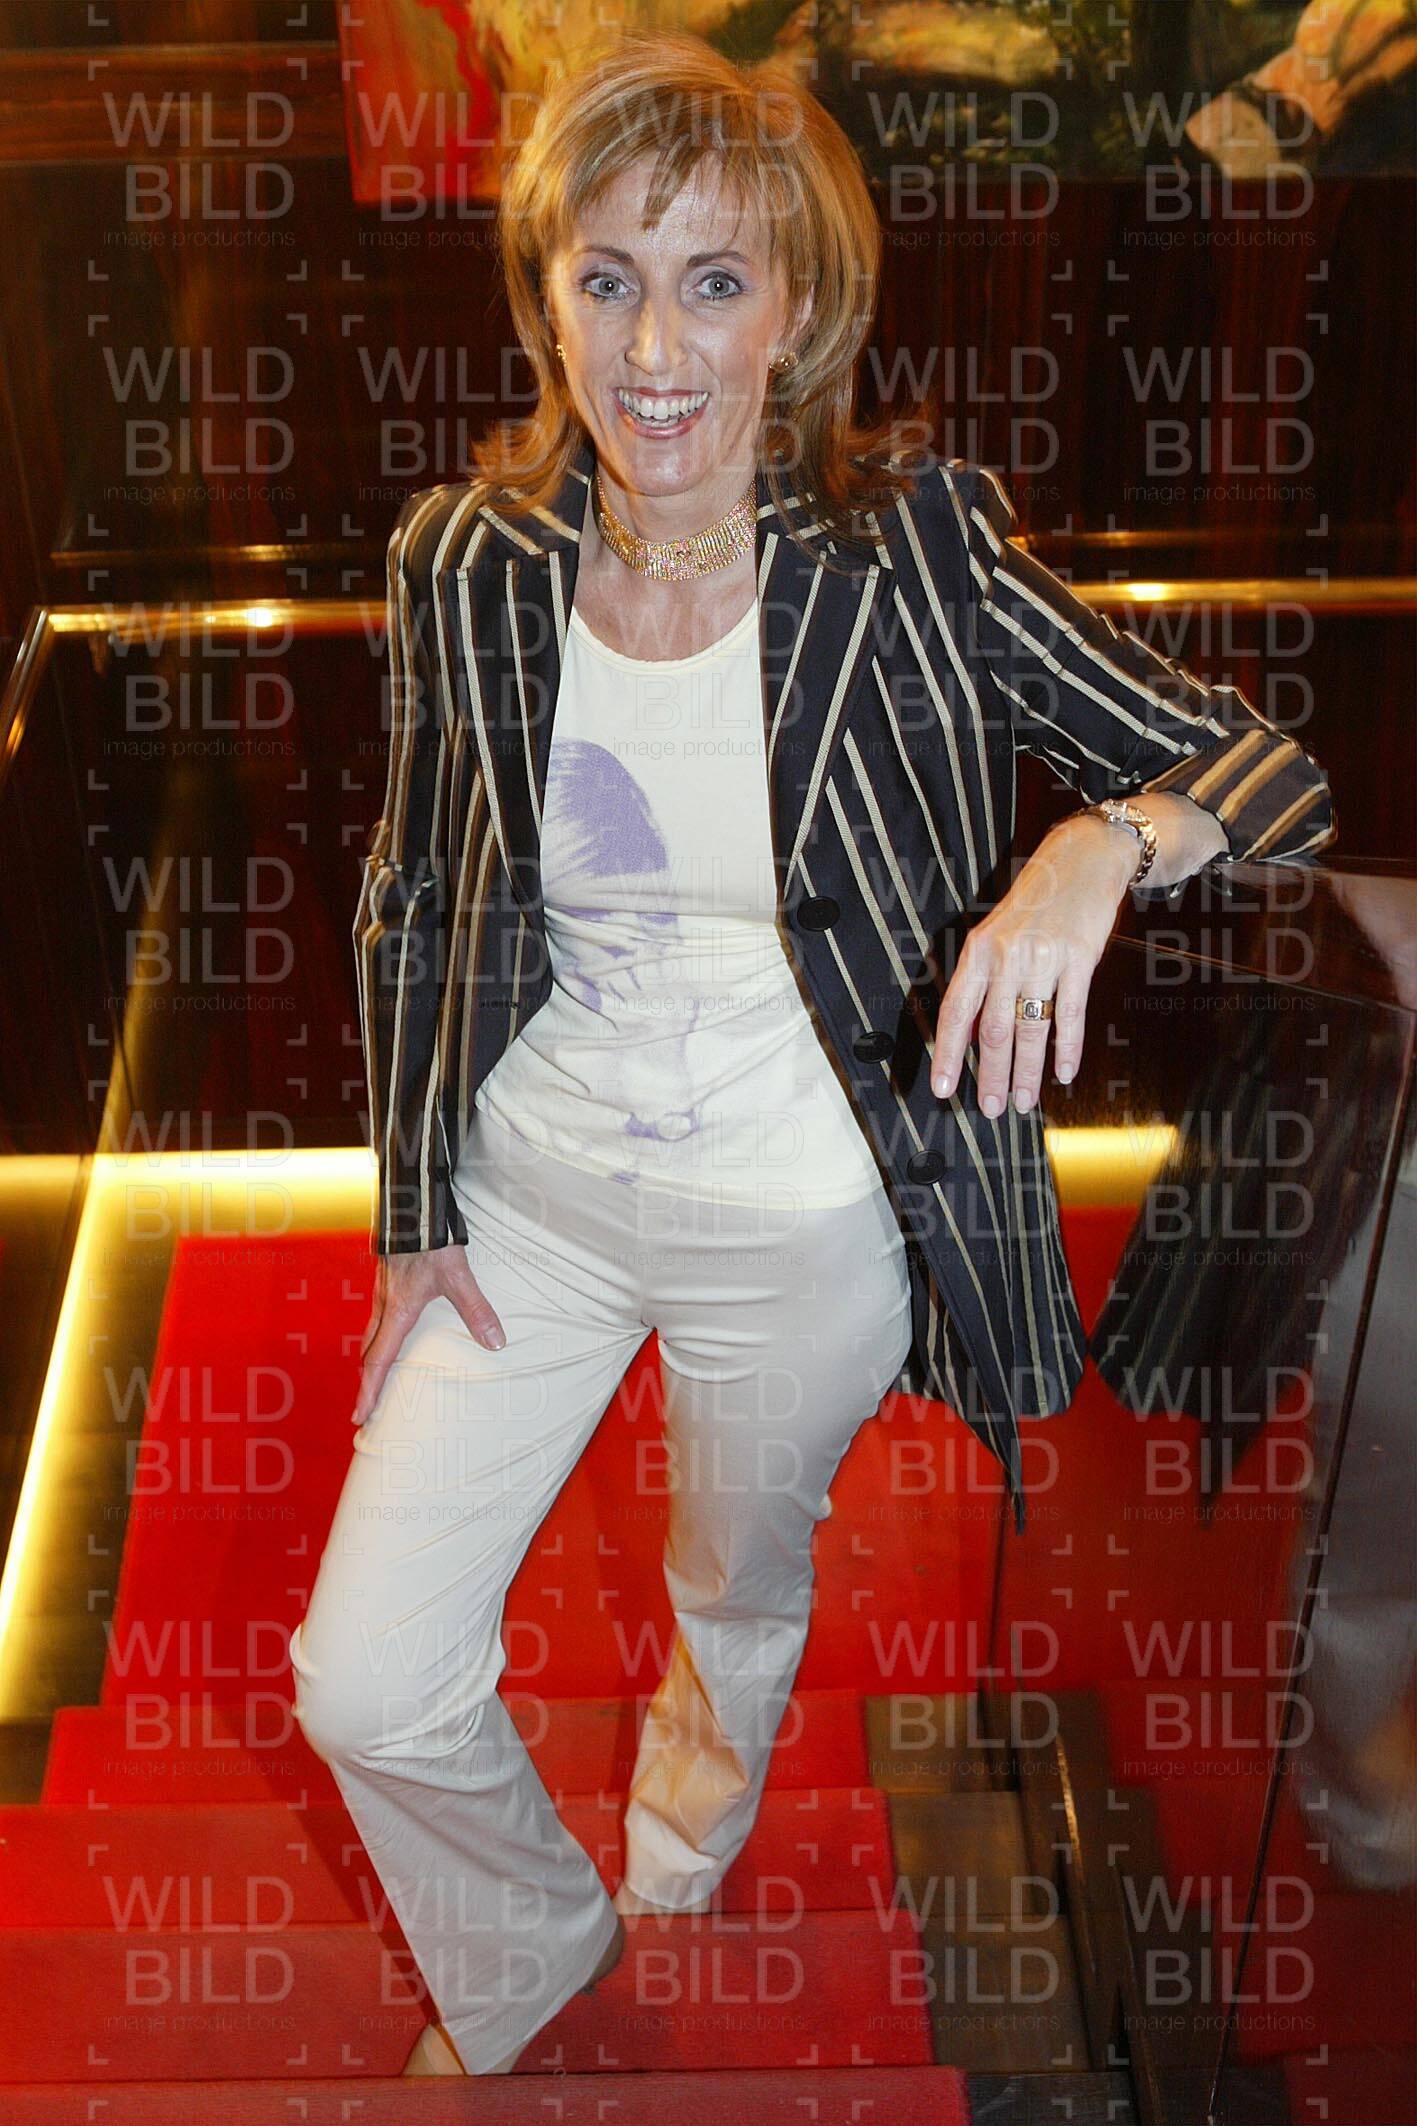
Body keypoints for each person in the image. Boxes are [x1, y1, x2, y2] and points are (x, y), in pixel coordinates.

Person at [288, 29, 1337, 2078]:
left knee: (729, 1578)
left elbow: (1263, 766)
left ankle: (680, 1845)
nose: (652, 350)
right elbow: (417, 893)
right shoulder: (466, 562)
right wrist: (415, 1202)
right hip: (531, 1195)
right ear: (543, 296)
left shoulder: (911, 549)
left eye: (713, 281)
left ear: (798, 308)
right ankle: (530, 1952)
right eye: (605, 277)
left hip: (804, 1221)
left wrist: (1093, 850)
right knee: (363, 1678)